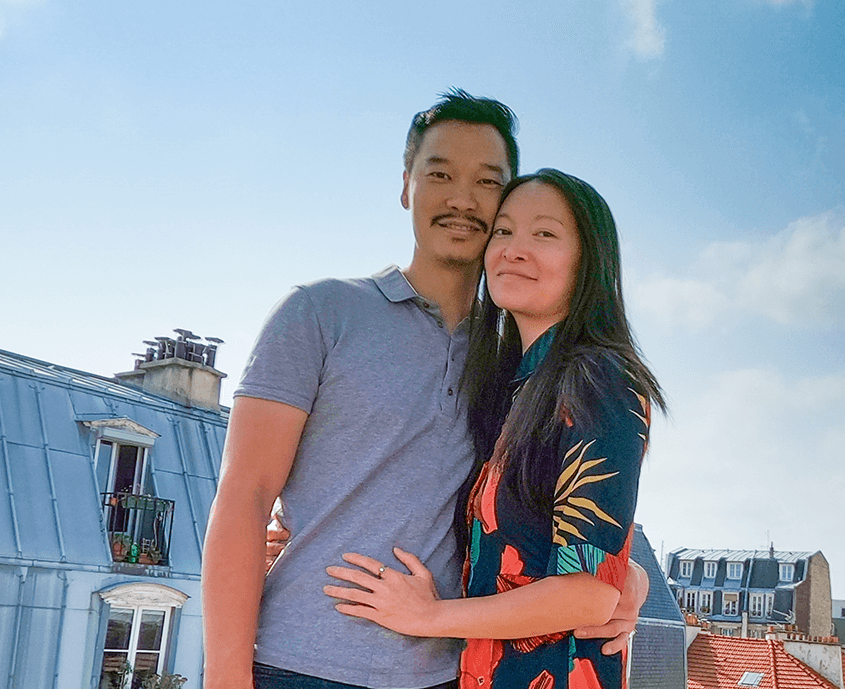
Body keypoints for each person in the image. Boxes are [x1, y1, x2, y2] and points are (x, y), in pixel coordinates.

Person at [203, 91, 646, 689]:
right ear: (407, 184)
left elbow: (558, 508)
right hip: (300, 665)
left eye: (487, 183)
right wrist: (224, 676)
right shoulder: (319, 313)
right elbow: (245, 496)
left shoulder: (520, 364)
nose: (462, 199)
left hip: (449, 673)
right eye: (440, 174)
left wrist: (627, 581)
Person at [324, 169, 665, 689]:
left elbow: (586, 592)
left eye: (544, 234)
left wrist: (428, 617)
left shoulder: (595, 378)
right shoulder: (513, 385)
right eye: (503, 231)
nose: (514, 250)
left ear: (590, 261)